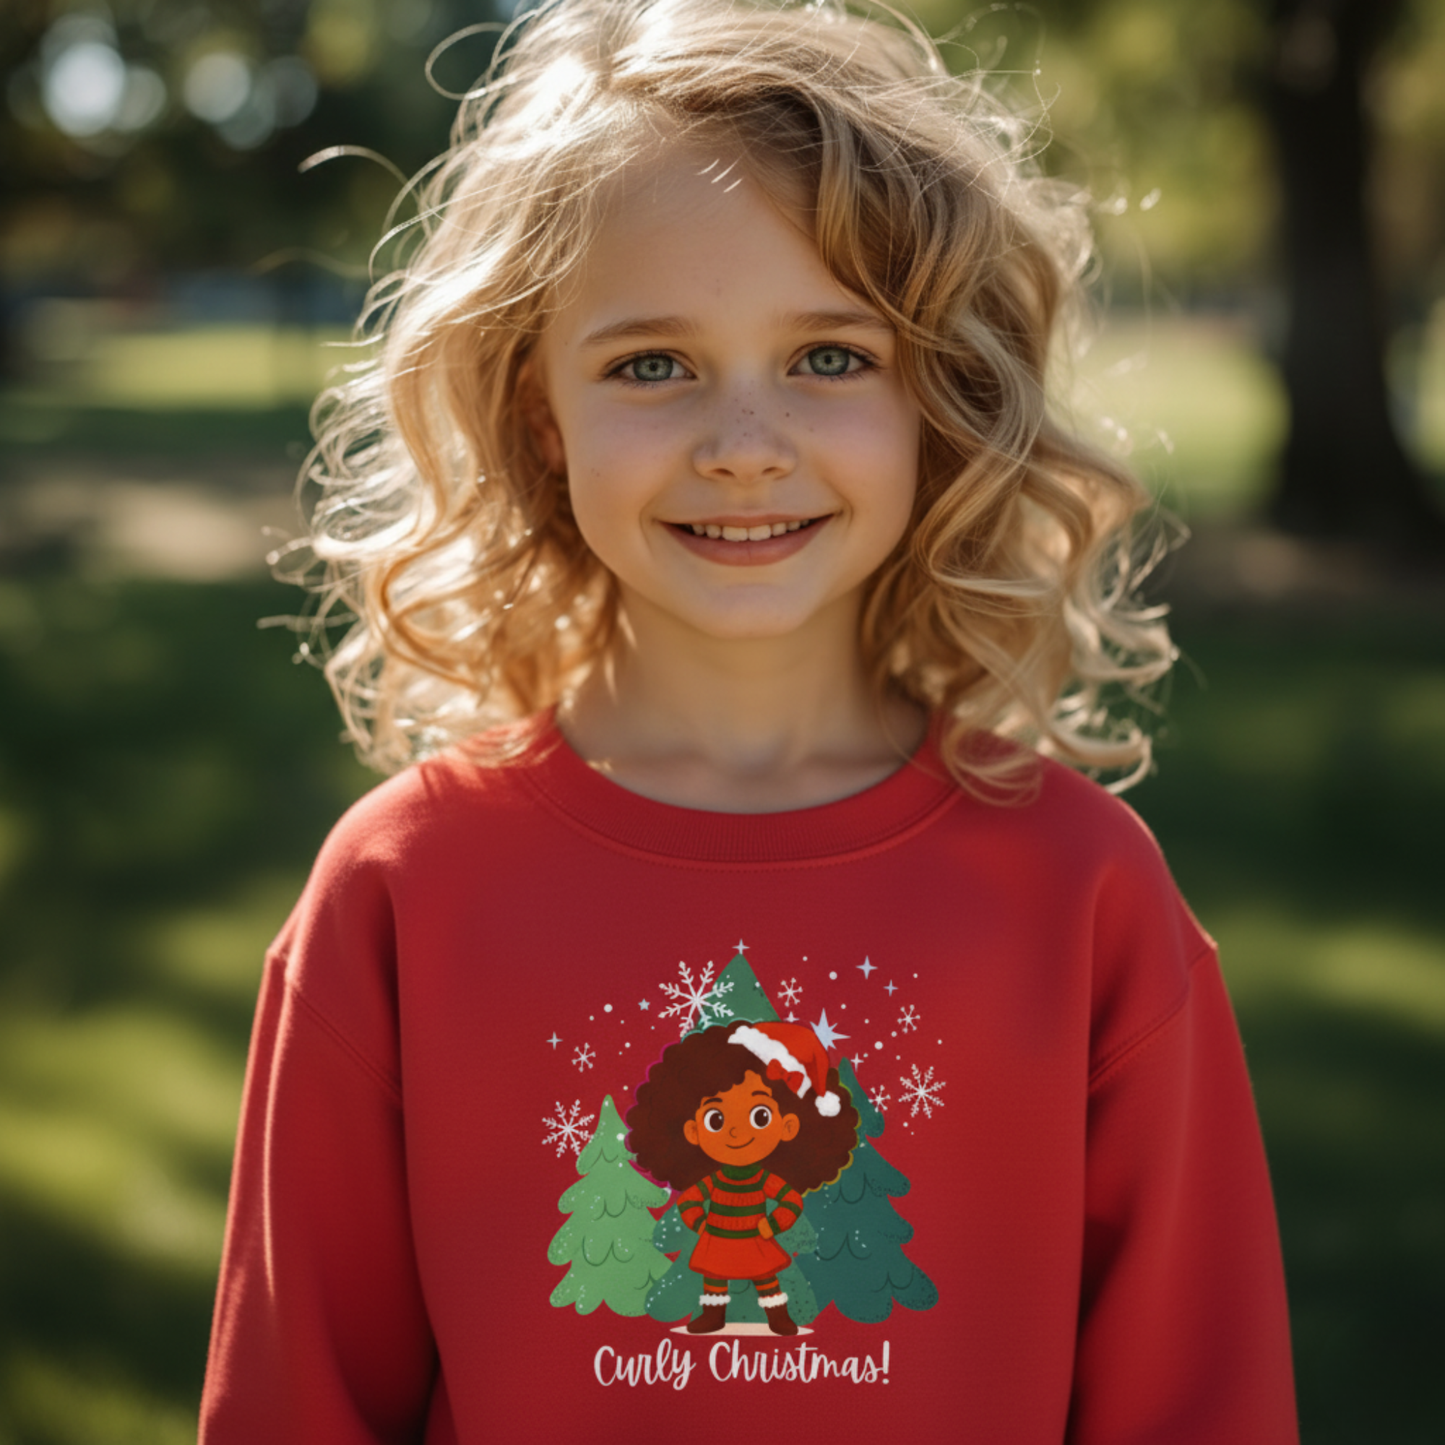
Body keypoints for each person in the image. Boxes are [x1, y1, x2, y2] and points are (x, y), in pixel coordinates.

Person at [200, 1, 1298, 1440]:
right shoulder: (401, 888)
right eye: (650, 364)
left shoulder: (1083, 892)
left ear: (937, 396)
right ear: (541, 415)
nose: (740, 446)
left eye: (829, 356)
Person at [625, 1020, 862, 1335]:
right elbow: (690, 1200)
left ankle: (778, 1316)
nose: (736, 1132)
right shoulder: (713, 1181)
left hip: (755, 1238)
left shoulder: (764, 1180)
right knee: (714, 1278)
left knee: (766, 1278)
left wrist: (772, 1225)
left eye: (760, 1116)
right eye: (716, 1119)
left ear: (788, 1126)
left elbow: (790, 1201)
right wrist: (700, 1223)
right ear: (692, 1131)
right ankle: (713, 1316)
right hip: (717, 1238)